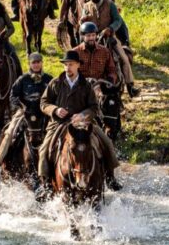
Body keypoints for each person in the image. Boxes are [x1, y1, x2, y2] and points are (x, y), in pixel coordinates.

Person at [36, 50, 122, 197]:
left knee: (106, 142)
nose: (68, 68)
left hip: (84, 123)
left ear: (78, 66)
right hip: (59, 123)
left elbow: (94, 107)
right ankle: (44, 183)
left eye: (71, 65)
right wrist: (55, 110)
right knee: (44, 149)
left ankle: (110, 177)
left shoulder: (86, 85)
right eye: (66, 65)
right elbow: (43, 103)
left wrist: (83, 115)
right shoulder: (55, 83)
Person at [0, 52, 52, 170]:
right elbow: (13, 96)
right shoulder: (22, 79)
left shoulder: (49, 79)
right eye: (33, 63)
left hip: (44, 112)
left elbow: (54, 96)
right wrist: (22, 106)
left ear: (42, 63)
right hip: (24, 111)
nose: (36, 65)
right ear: (29, 64)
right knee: (10, 131)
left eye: (38, 62)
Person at [80, 0, 139, 97]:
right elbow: (83, 22)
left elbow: (118, 20)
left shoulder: (110, 4)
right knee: (78, 57)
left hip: (109, 37)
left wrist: (110, 28)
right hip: (91, 38)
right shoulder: (86, 6)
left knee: (124, 58)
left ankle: (130, 85)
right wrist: (82, 21)